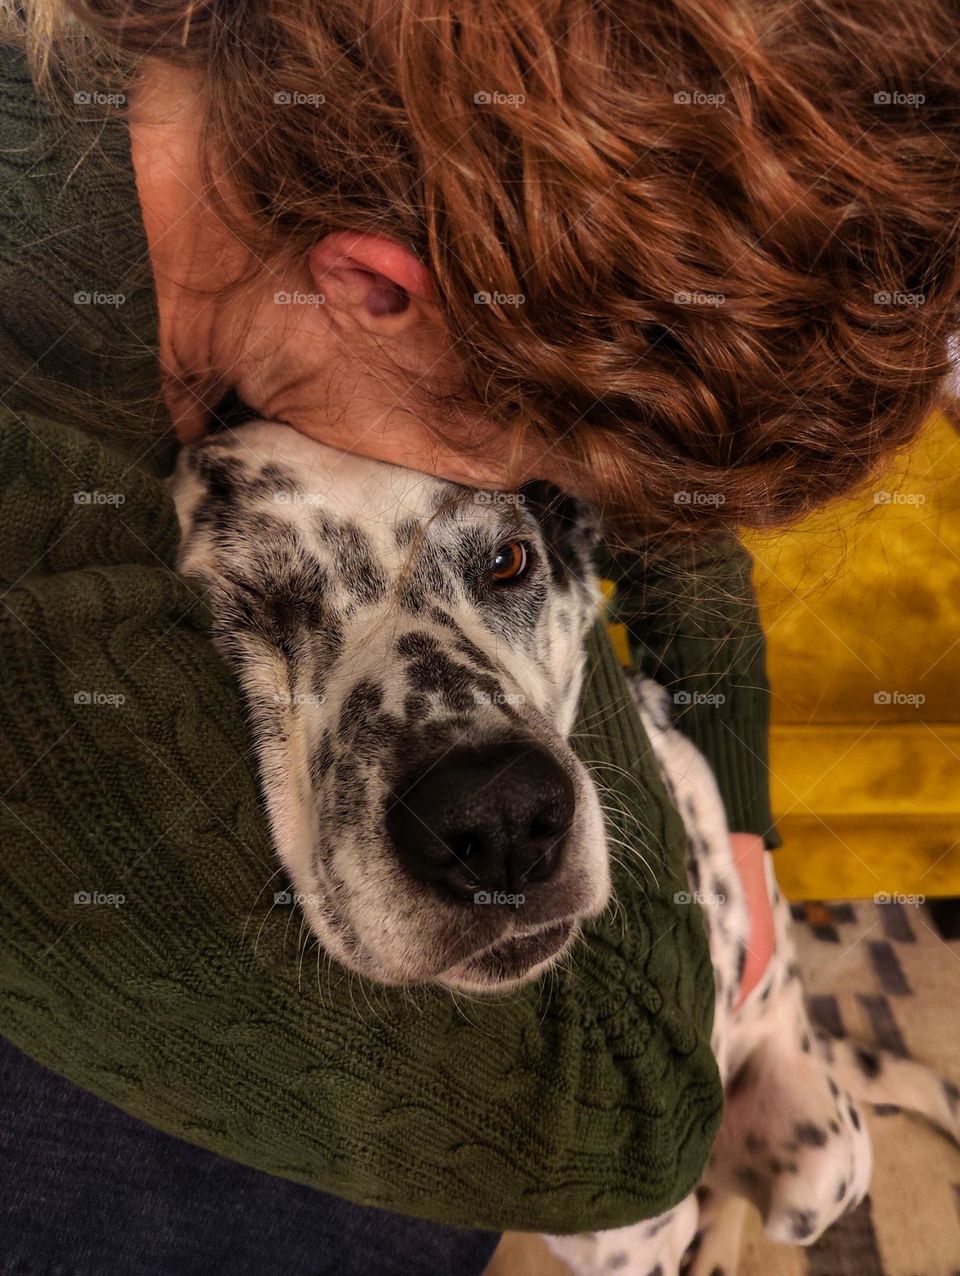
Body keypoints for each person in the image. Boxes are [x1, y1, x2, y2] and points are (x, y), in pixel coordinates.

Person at [0, 1, 957, 1273]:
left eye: (513, 538)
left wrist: (737, 817)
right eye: (538, 455)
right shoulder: (53, 400)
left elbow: (649, 505)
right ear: (376, 285)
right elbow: (622, 1112)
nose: (578, 506)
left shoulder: (296, 274)